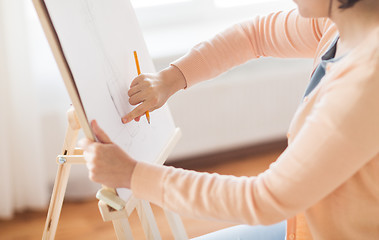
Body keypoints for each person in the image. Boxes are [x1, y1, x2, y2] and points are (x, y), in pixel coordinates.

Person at [79, 0, 379, 239]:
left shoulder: (366, 82)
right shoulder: (341, 25)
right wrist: (172, 78)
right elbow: (254, 35)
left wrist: (131, 175)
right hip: (303, 223)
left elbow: (264, 199)